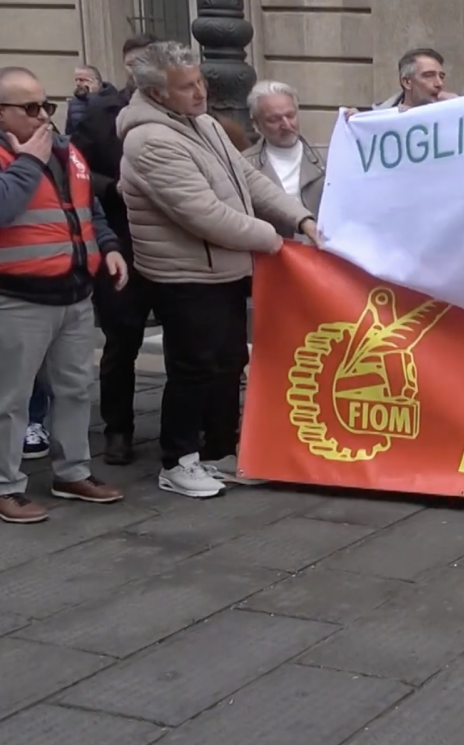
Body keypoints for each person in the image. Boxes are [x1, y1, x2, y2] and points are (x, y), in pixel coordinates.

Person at [118, 41, 322, 498]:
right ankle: (178, 460)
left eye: (200, 82)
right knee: (194, 367)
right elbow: (205, 215)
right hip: (185, 275)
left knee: (228, 362)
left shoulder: (203, 123)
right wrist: (274, 241)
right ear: (156, 94)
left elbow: (249, 180)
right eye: (186, 87)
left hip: (222, 269)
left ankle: (218, 450)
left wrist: (300, 219)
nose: (200, 92)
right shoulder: (150, 140)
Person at [0, 66, 129, 524]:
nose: (42, 116)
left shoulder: (63, 149)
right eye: (30, 107)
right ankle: (6, 485)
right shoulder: (27, 156)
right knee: (11, 398)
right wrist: (28, 163)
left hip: (74, 292)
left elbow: (86, 208)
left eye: (45, 105)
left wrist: (108, 248)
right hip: (18, 296)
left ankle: (72, 471)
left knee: (74, 388)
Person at [70, 32, 157, 466]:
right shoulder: (101, 112)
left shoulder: (184, 113)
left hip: (173, 243)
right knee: (122, 340)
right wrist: (112, 187)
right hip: (120, 240)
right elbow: (76, 171)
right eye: (134, 62)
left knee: (188, 339)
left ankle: (188, 427)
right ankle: (118, 429)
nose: (140, 70)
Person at [243, 80, 325, 218]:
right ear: (257, 124)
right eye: (274, 119)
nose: (286, 125)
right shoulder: (245, 165)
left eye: (290, 116)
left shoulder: (327, 156)